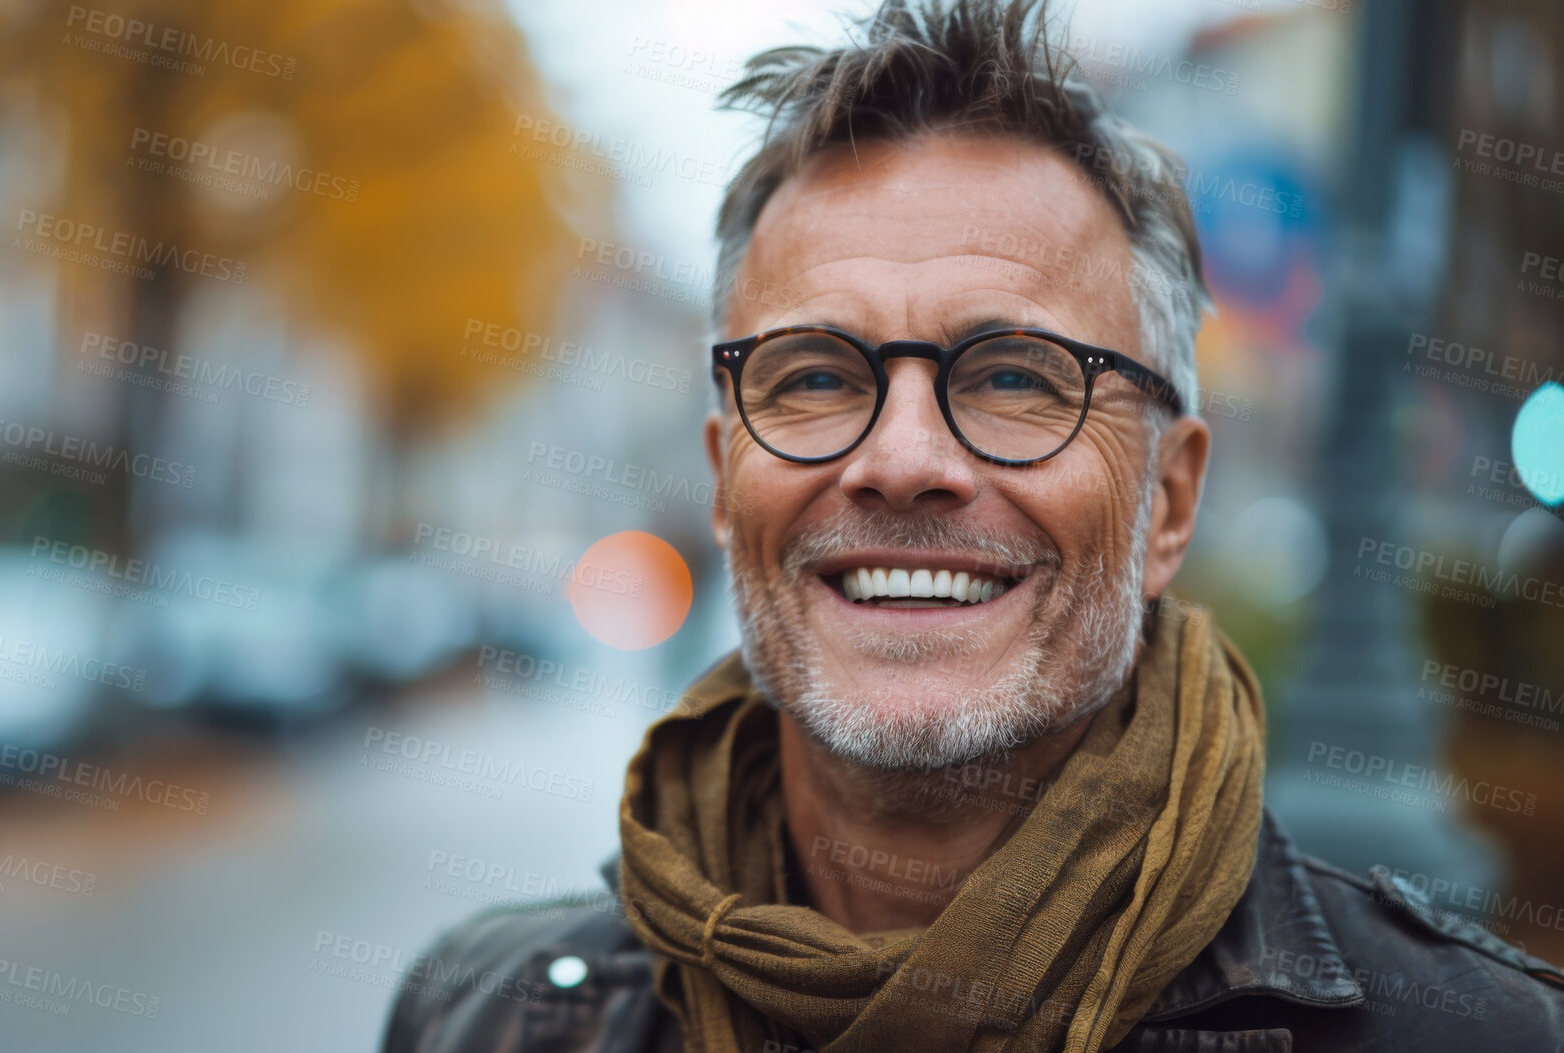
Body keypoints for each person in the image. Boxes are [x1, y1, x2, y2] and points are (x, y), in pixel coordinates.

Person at [383, 0, 1564, 1048]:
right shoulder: (485, 1015)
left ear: (1168, 504)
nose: (899, 461)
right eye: (814, 378)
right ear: (720, 477)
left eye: (1011, 378)